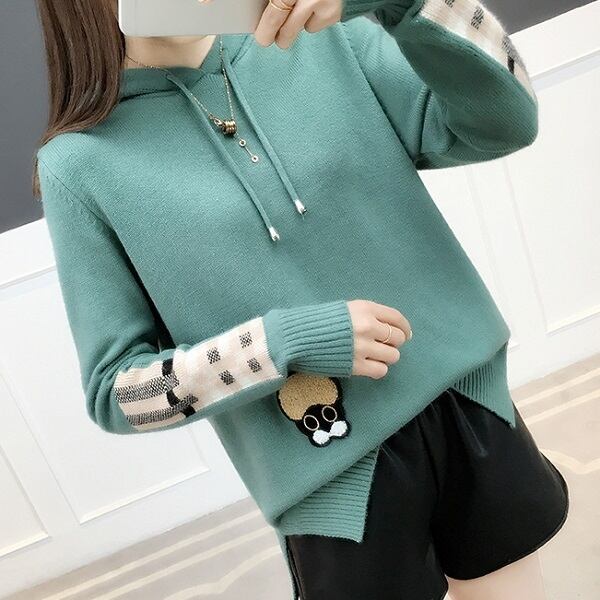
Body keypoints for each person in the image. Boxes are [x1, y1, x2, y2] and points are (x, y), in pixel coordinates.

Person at [33, 0, 569, 598]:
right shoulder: (79, 165)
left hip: (470, 407)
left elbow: (508, 122)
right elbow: (119, 393)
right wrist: (278, 345)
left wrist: (408, 4)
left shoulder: (330, 38)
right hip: (331, 485)